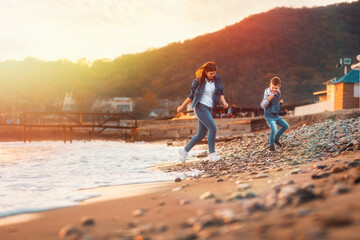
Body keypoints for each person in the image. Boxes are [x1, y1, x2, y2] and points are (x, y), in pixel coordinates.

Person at [177, 62, 228, 164]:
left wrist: (224, 102)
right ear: (206, 72)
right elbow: (191, 96)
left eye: (214, 73)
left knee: (201, 135)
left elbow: (220, 92)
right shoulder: (198, 81)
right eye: (210, 73)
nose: (213, 75)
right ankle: (212, 154)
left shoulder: (217, 79)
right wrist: (182, 106)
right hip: (200, 107)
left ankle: (184, 150)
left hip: (209, 108)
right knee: (213, 128)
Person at [260, 76, 289, 152]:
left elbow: (275, 104)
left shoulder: (279, 92)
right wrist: (267, 100)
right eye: (272, 87)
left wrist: (280, 103)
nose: (274, 90)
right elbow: (262, 105)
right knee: (274, 129)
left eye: (276, 88)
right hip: (269, 116)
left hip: (276, 115)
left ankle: (276, 138)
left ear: (279, 87)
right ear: (270, 85)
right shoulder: (267, 94)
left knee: (286, 126)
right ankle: (271, 147)